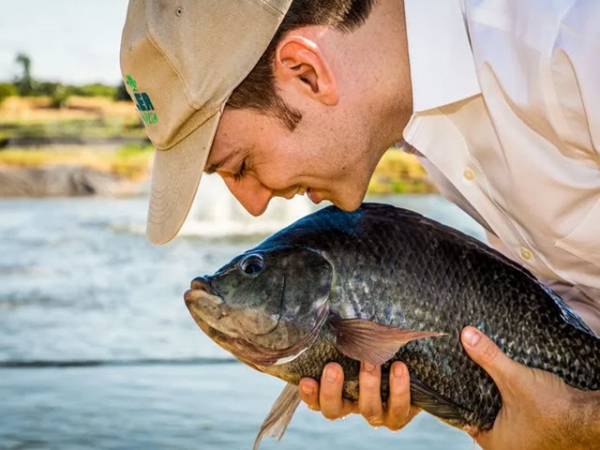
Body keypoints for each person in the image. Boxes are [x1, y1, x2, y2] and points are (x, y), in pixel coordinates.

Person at [120, 0, 600, 448]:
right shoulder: (427, 135)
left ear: (306, 73)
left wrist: (581, 425)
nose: (253, 205)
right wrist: (441, 380)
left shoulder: (575, 45)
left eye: (241, 164)